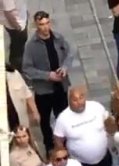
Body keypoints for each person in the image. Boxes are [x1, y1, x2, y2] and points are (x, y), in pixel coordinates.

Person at [22, 11, 75, 150]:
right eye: (41, 24)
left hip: (61, 87)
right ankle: (49, 146)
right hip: (44, 91)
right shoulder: (31, 46)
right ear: (36, 25)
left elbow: (69, 52)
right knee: (45, 121)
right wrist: (48, 75)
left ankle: (64, 143)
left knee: (63, 117)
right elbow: (27, 69)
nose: (45, 27)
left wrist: (65, 67)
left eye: (47, 23)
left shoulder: (58, 37)